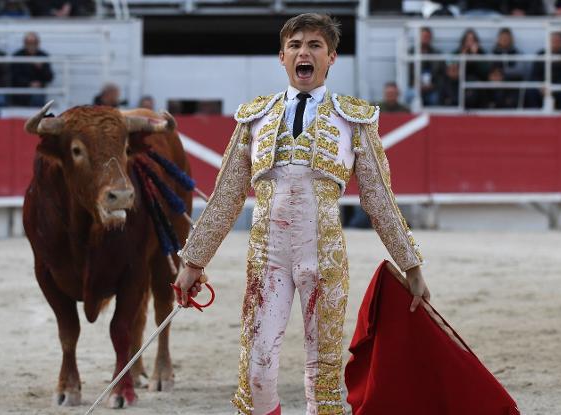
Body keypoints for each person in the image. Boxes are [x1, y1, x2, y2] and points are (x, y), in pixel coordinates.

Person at [174, 13, 429, 415]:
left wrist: (411, 265)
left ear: (331, 58)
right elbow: (226, 196)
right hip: (266, 257)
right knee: (256, 371)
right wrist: (193, 261)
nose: (303, 52)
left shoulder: (354, 118)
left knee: (323, 375)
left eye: (314, 45)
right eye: (295, 45)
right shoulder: (254, 116)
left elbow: (379, 197)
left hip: (324, 257)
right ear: (282, 57)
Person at [526, 31, 561, 109]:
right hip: (543, 87)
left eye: (558, 41)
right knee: (531, 91)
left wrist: (555, 88)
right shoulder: (541, 54)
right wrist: (542, 86)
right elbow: (534, 74)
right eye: (553, 41)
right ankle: (534, 117)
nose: (555, 43)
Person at [11, 32, 54, 107]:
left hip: (38, 91)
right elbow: (14, 76)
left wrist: (41, 69)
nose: (31, 45)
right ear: (24, 43)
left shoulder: (43, 56)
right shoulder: (17, 55)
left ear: (38, 43)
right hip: (21, 90)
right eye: (29, 42)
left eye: (34, 42)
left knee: (37, 96)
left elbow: (49, 77)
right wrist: (29, 83)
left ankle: (37, 117)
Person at [407, 27, 444, 107]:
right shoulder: (410, 53)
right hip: (414, 87)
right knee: (409, 96)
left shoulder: (437, 54)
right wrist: (416, 84)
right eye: (423, 36)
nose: (425, 39)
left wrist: (434, 85)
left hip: (432, 88)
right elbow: (406, 73)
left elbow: (442, 74)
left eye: (427, 37)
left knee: (435, 98)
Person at [454, 29, 489, 108]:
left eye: (472, 40)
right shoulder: (458, 52)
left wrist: (475, 56)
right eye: (468, 40)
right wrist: (462, 58)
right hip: (459, 82)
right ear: (463, 41)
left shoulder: (481, 53)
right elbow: (449, 64)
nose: (470, 43)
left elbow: (485, 70)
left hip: (479, 83)